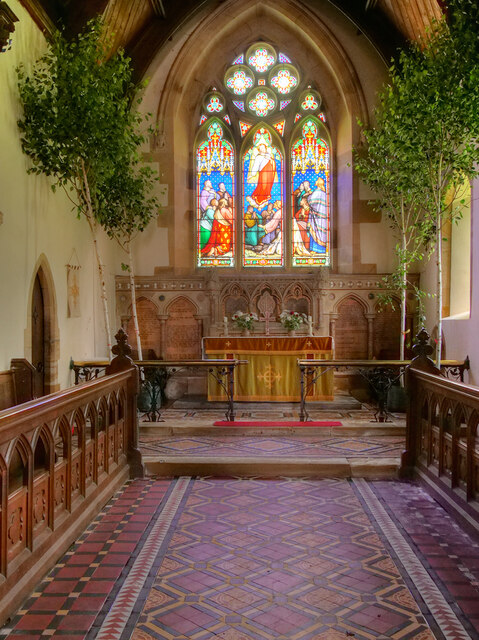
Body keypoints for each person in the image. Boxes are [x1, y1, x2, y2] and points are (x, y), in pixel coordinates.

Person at [247, 142, 277, 207]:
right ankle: (259, 199)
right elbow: (255, 166)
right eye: (261, 148)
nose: (263, 149)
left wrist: (271, 161)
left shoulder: (269, 156)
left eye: (264, 148)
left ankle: (266, 197)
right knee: (262, 186)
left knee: (267, 187)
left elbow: (273, 164)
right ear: (259, 150)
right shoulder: (258, 157)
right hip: (263, 174)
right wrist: (252, 175)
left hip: (270, 174)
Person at [307, 176, 328, 253]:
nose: (315, 181)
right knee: (320, 232)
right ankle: (321, 249)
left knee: (317, 231)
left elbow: (311, 202)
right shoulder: (324, 193)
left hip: (317, 217)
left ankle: (316, 249)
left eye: (317, 180)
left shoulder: (317, 192)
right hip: (322, 216)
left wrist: (309, 196)